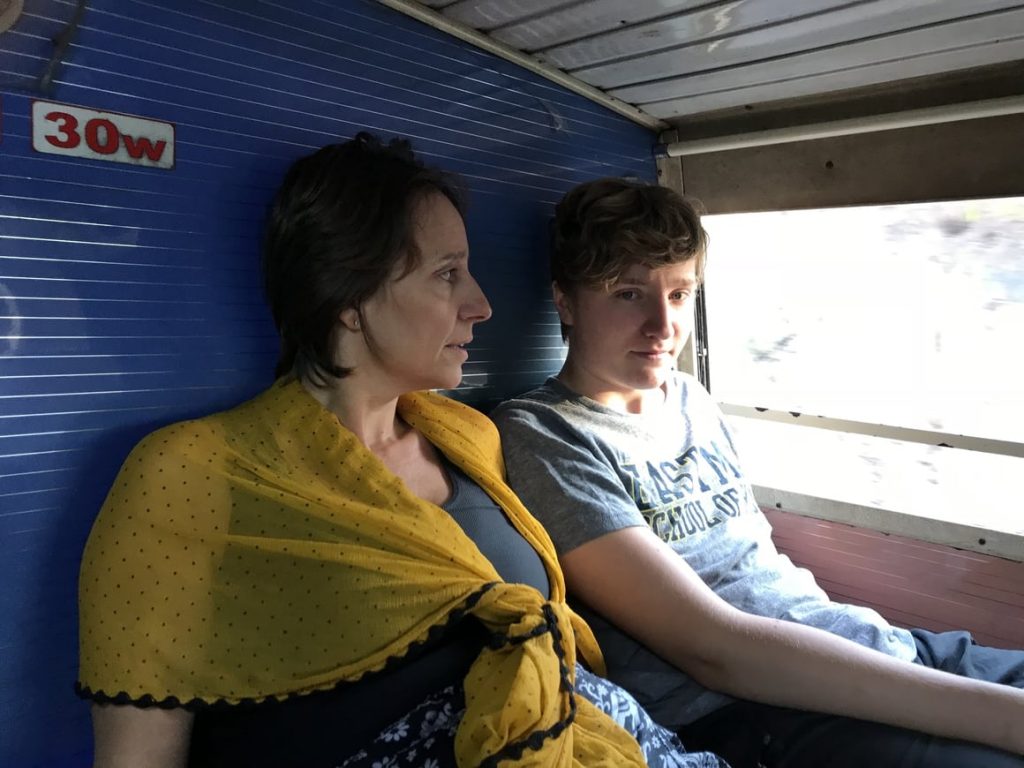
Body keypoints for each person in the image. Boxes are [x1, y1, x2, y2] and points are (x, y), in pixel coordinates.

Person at [75, 135, 729, 768]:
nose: (480, 304)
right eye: (448, 275)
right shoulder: (189, 474)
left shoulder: (470, 439)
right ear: (351, 300)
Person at [491, 177, 1024, 768]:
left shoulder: (691, 398)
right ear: (565, 301)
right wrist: (996, 715)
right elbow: (712, 648)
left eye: (678, 294)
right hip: (757, 708)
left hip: (869, 647)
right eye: (627, 294)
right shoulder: (543, 433)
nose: (663, 327)